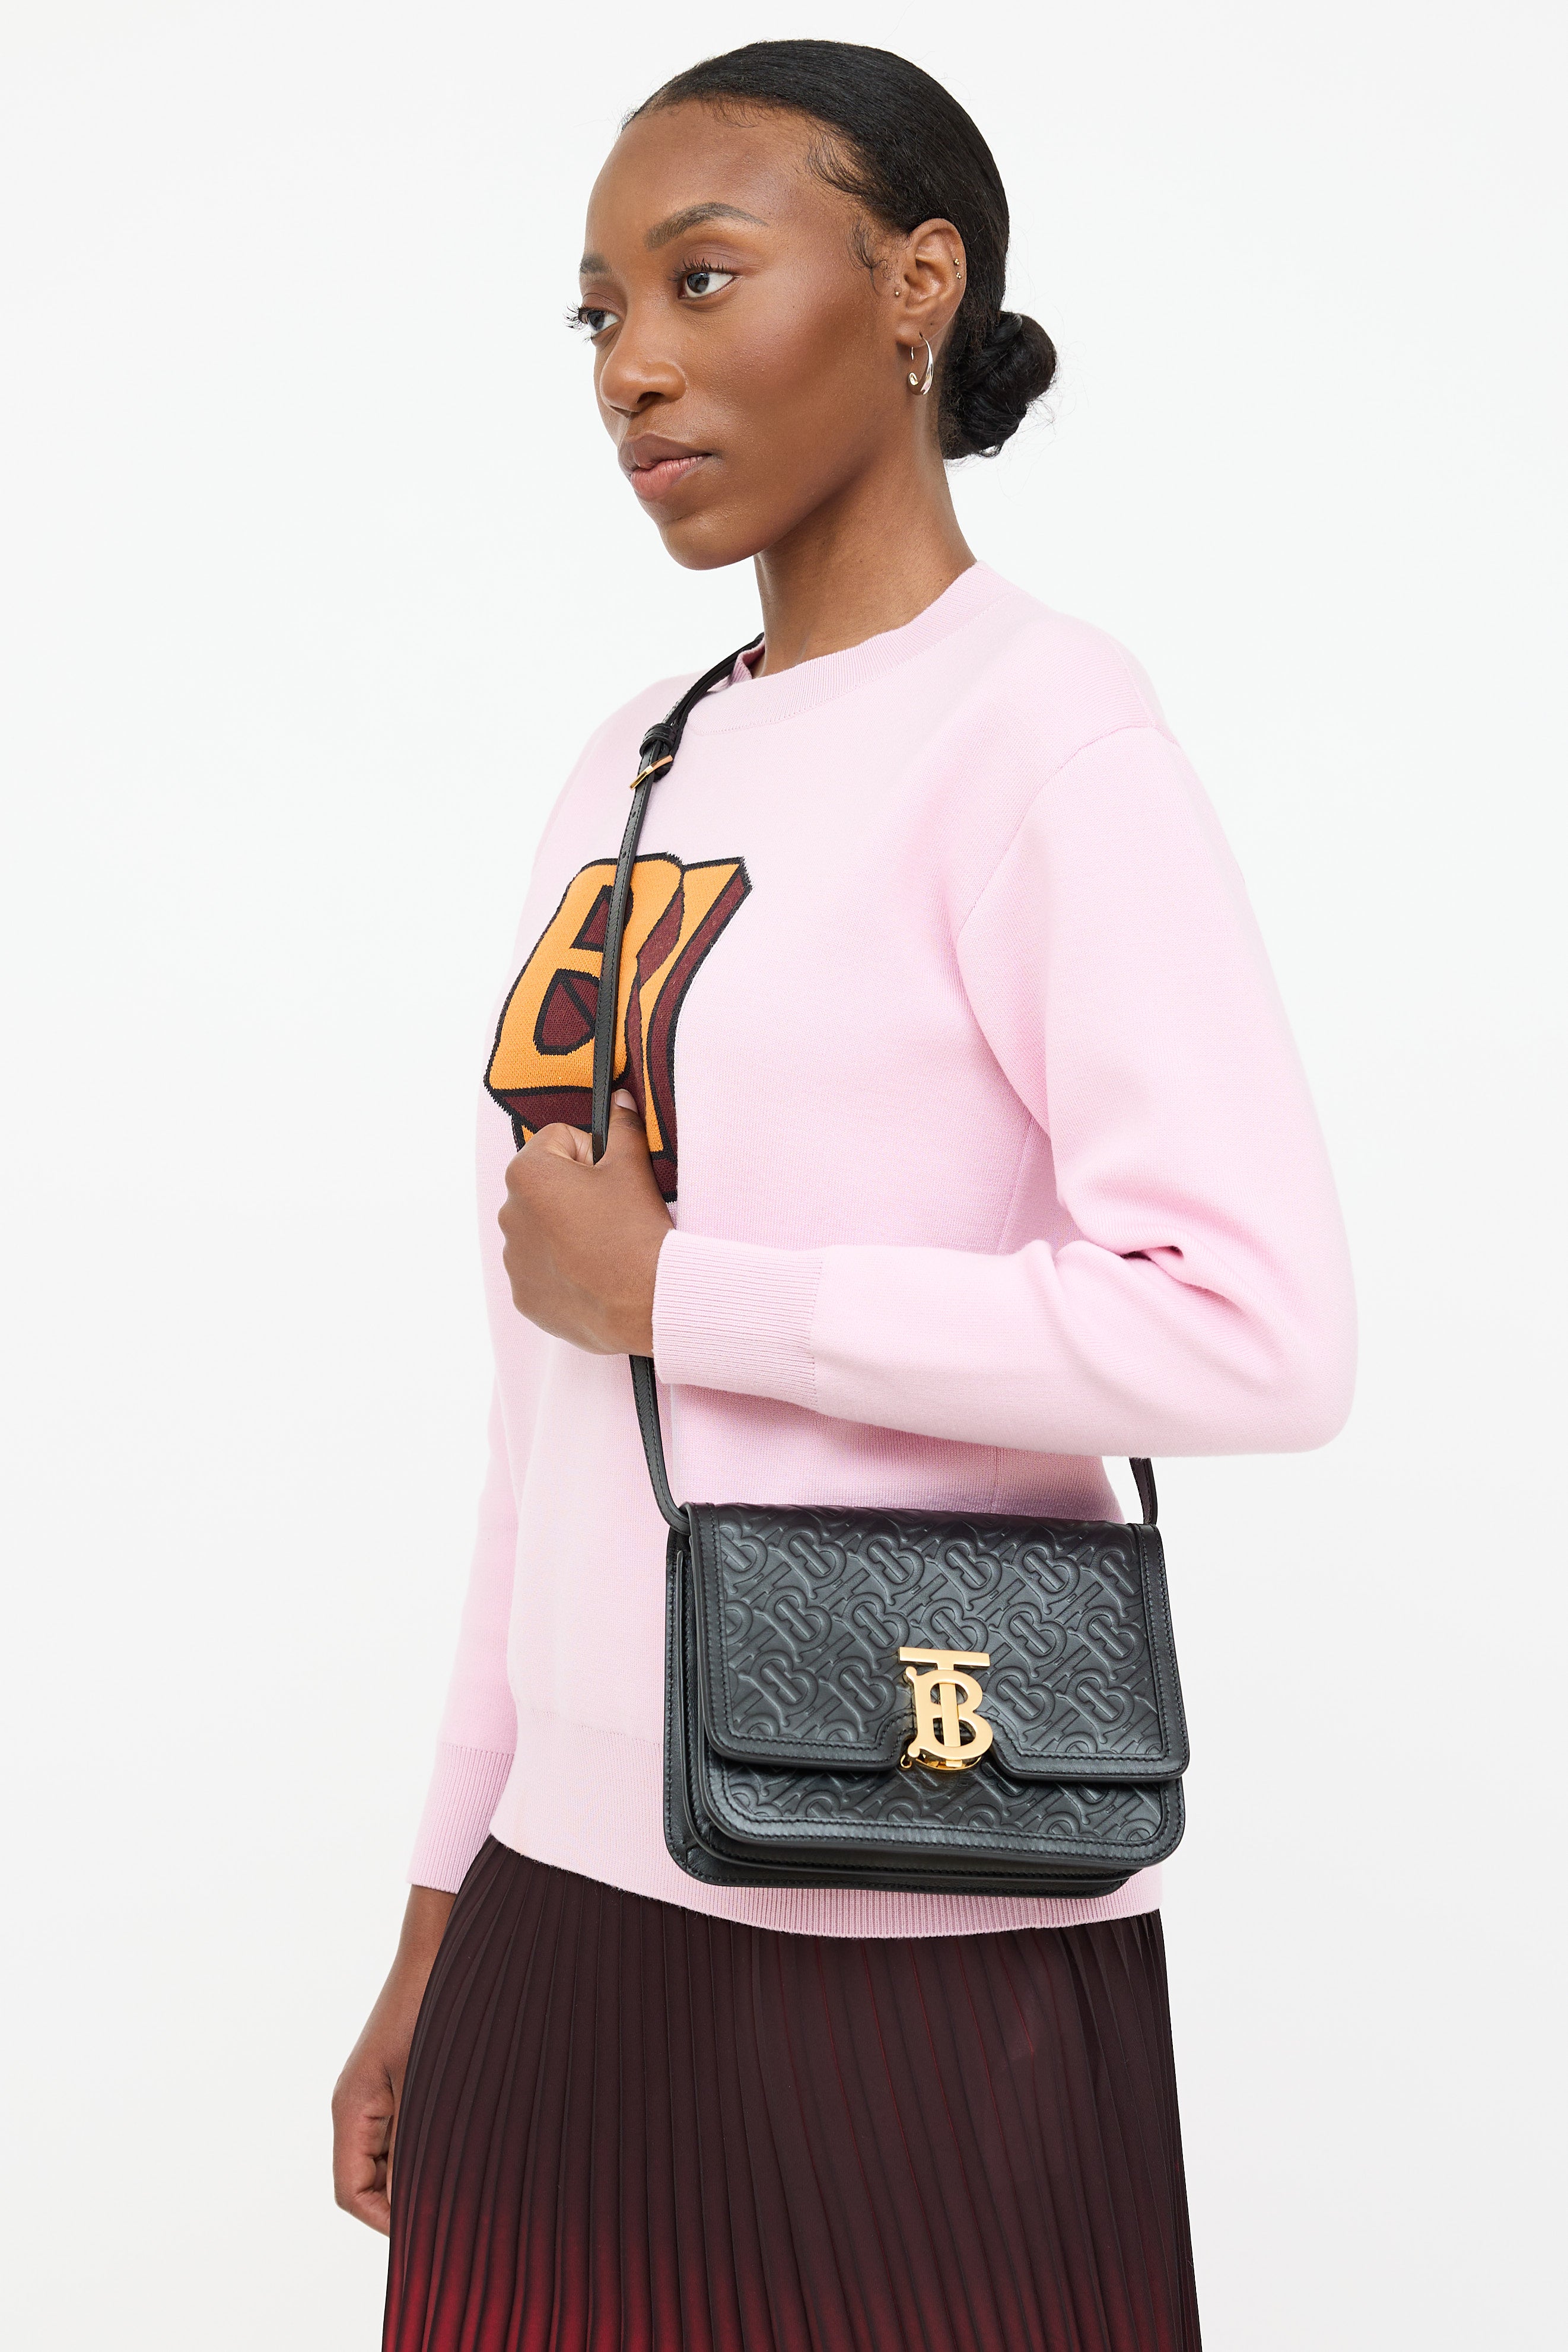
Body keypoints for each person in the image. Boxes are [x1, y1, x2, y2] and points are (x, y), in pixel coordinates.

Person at [333, 39, 1354, 2352]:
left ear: (917, 286)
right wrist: (436, 1914)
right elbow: (545, 1415)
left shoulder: (1045, 731)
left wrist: (695, 1292)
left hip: (914, 1919)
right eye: (598, 309)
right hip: (563, 1914)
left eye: (700, 278)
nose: (634, 364)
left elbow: (1257, 1331)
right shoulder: (634, 762)